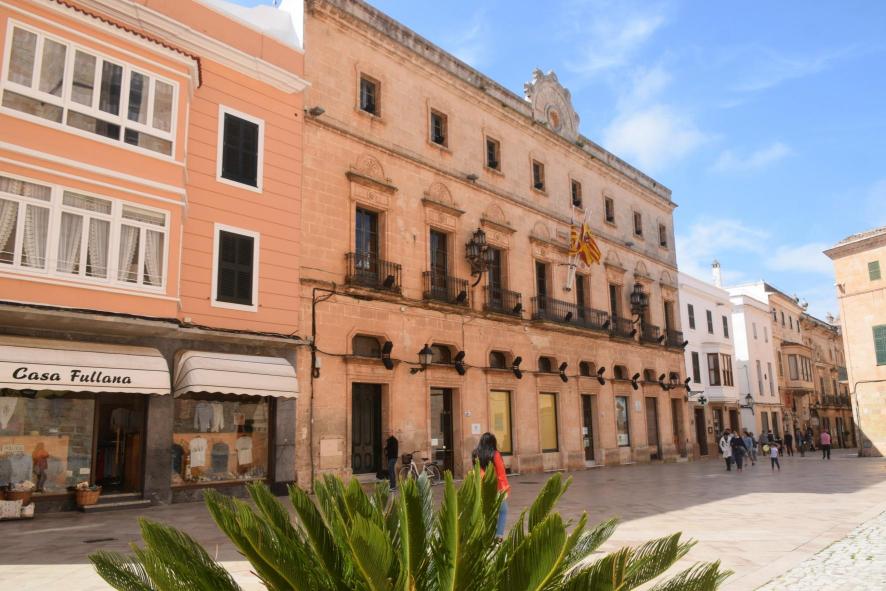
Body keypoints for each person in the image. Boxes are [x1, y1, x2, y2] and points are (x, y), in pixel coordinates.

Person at [477, 432, 510, 538]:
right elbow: (501, 474)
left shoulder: (477, 455)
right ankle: (498, 537)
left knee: (486, 513)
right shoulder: (495, 455)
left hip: (482, 488)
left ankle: (485, 536)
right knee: (503, 511)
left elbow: (476, 473)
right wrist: (505, 489)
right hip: (496, 489)